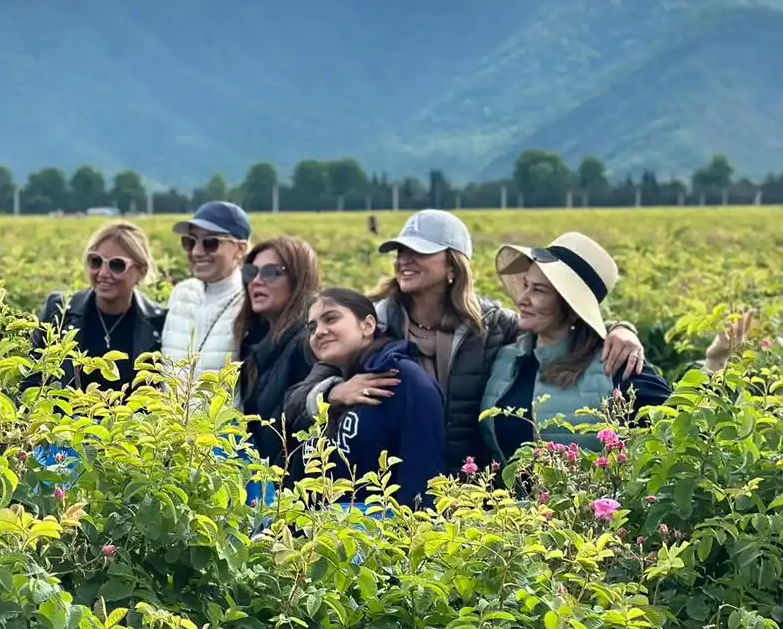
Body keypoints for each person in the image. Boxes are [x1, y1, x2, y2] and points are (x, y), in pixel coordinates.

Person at [282, 210, 646, 469]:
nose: (404, 260)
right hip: (387, 486)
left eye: (419, 252)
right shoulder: (371, 323)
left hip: (467, 490)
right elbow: (295, 402)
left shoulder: (492, 325)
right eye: (400, 252)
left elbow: (558, 322)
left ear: (454, 265)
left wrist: (618, 328)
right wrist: (331, 394)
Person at [480, 233, 672, 466]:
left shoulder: (614, 363)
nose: (523, 298)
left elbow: (678, 429)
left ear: (570, 306)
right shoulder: (505, 359)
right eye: (525, 286)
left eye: (538, 290)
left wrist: (715, 360)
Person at [291, 288, 445, 509]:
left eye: (331, 319)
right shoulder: (330, 381)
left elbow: (422, 484)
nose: (319, 332)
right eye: (312, 327)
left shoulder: (401, 381)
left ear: (368, 325)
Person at [30, 220, 166, 392]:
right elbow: (32, 382)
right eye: (96, 261)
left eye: (117, 265)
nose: (103, 273)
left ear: (141, 271)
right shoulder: (60, 311)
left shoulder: (159, 322)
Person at [234, 236, 322, 459]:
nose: (256, 281)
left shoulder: (309, 342)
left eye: (271, 273)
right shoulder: (255, 341)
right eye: (251, 273)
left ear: (299, 279)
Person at [162, 201, 252, 386]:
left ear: (240, 249)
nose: (196, 252)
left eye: (210, 243)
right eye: (190, 242)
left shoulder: (250, 301)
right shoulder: (181, 294)